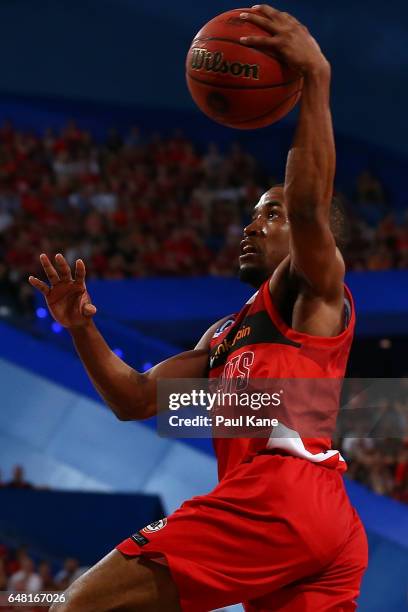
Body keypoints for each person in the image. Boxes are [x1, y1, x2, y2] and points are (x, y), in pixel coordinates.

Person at [29, 5, 368, 611]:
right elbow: (135, 401)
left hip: (282, 495)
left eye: (272, 213)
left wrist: (315, 77)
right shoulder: (226, 338)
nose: (252, 224)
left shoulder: (311, 294)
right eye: (254, 212)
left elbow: (312, 208)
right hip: (316, 522)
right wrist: (80, 327)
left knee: (78, 606)